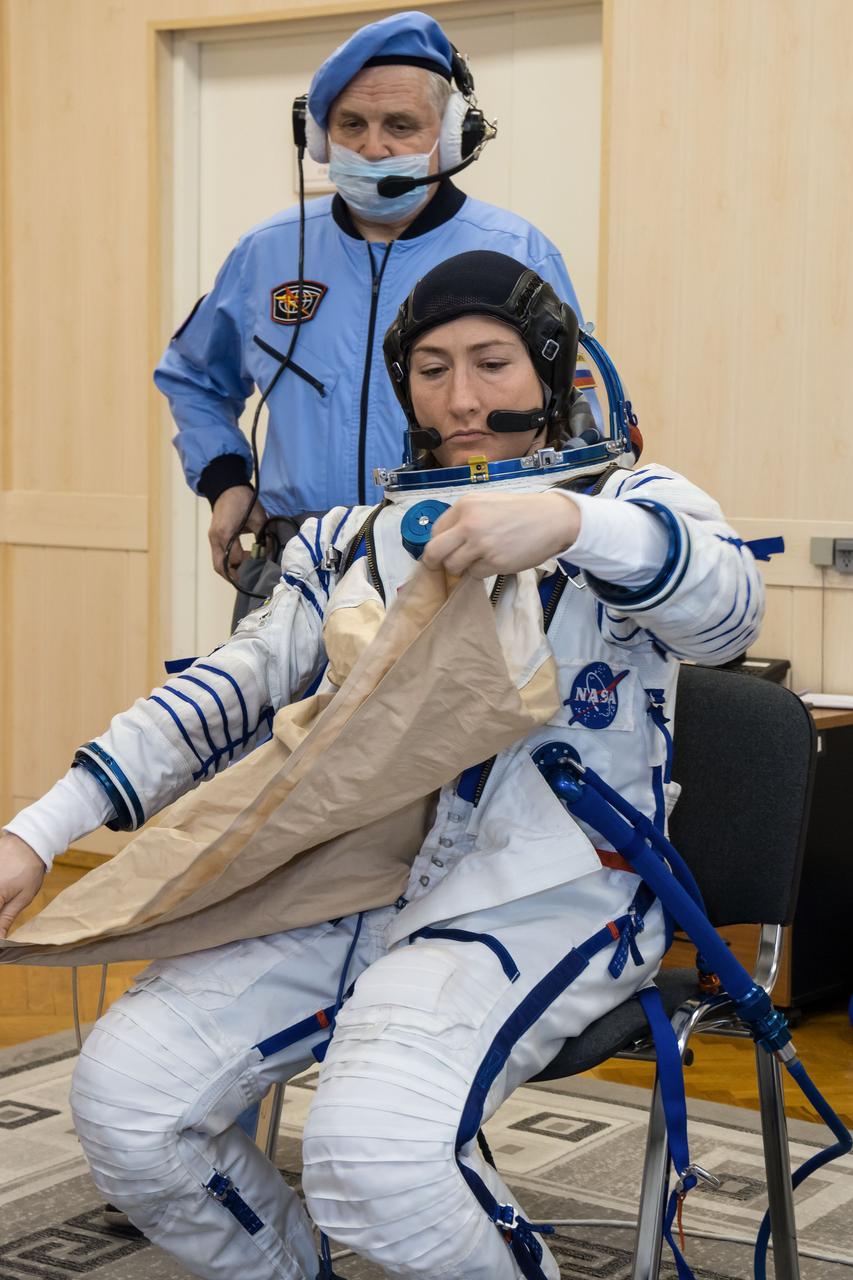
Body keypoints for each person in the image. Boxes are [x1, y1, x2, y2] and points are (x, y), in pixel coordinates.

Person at [0, 251, 765, 1280]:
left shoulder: (631, 506)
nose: (461, 398)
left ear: (549, 371)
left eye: (492, 363)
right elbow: (217, 695)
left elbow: (726, 614)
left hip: (548, 894)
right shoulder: (351, 540)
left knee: (374, 1155)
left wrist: (573, 521)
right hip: (350, 876)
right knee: (127, 1101)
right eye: (432, 368)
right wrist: (36, 832)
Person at [154, 9, 588, 622]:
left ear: (451, 136)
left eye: (400, 125)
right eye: (351, 124)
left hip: (463, 563)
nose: (373, 146)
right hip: (294, 566)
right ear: (320, 137)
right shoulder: (266, 252)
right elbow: (192, 376)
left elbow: (575, 411)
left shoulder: (517, 252)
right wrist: (226, 482)